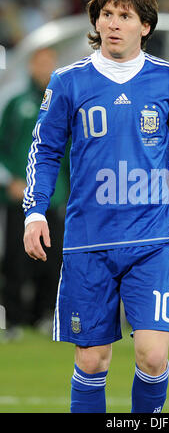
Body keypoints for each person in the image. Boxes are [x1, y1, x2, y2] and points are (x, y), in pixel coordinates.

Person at [22, 0, 169, 413]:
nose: (113, 23)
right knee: (91, 360)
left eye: (125, 16)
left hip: (151, 239)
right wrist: (34, 212)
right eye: (107, 14)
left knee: (153, 354)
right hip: (89, 241)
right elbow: (45, 150)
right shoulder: (67, 82)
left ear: (145, 26)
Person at [0, 48, 69, 338]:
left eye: (50, 63)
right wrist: (9, 181)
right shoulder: (16, 105)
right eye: (40, 63)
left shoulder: (63, 104)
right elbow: (3, 146)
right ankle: (13, 319)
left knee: (52, 260)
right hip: (21, 195)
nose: (45, 69)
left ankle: (44, 315)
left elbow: (68, 154)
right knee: (16, 259)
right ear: (31, 66)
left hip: (54, 196)